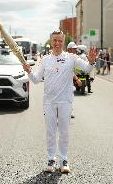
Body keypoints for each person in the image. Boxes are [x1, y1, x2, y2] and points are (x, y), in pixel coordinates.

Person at [23, 30, 96, 173]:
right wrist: (29, 71)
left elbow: (87, 68)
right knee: (50, 132)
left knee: (64, 132)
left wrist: (92, 61)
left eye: (60, 41)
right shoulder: (44, 60)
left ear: (63, 42)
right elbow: (36, 80)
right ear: (51, 42)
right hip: (49, 102)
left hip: (65, 101)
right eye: (54, 40)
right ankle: (51, 159)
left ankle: (64, 160)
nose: (57, 43)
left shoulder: (71, 58)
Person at [67, 42, 81, 119]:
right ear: (69, 50)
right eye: (74, 49)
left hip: (69, 82)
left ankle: (69, 112)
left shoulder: (73, 58)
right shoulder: (66, 58)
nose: (75, 50)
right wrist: (77, 79)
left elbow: (71, 71)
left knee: (70, 97)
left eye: (75, 49)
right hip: (62, 83)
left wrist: (77, 79)